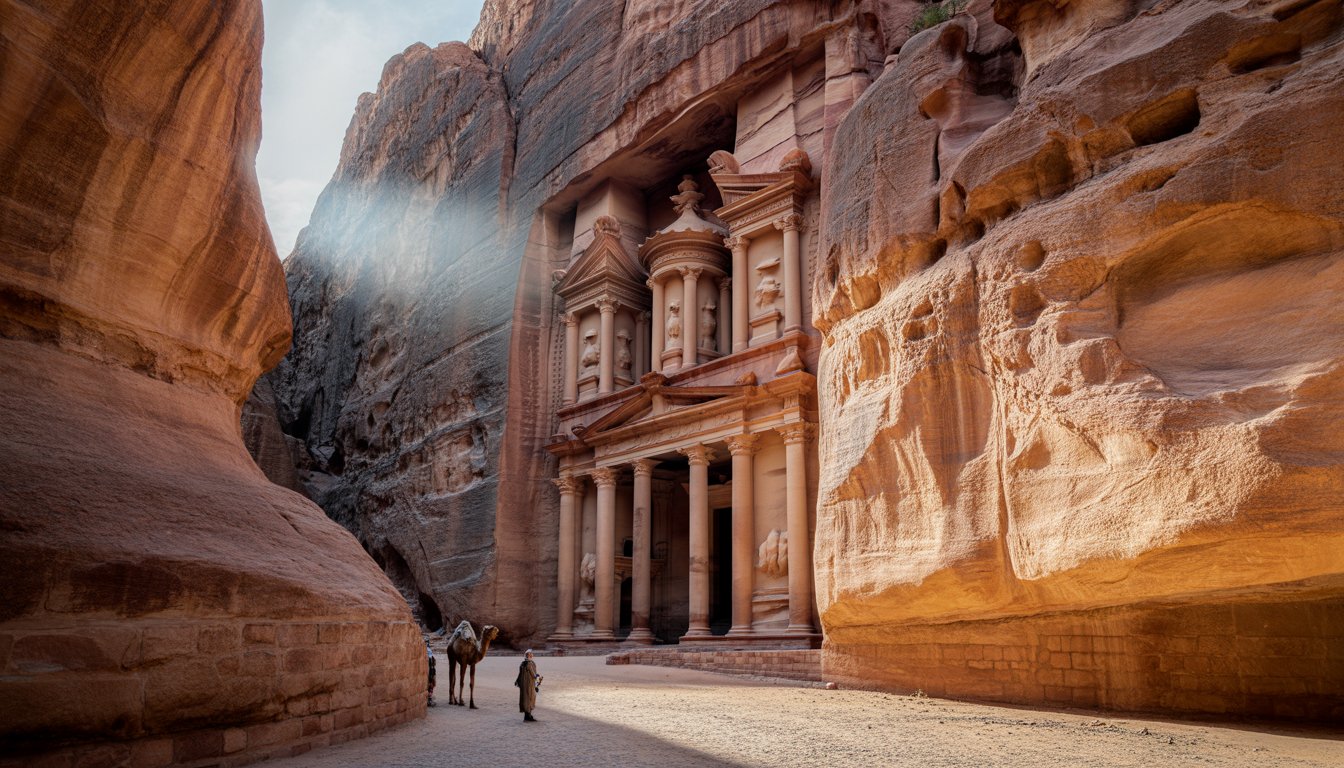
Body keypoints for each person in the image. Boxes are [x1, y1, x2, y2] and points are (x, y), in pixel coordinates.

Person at [514, 649, 540, 722]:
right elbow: (533, 675)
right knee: (530, 698)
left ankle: (527, 716)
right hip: (529, 684)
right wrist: (537, 681)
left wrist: (517, 681)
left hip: (523, 684)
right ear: (528, 655)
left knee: (525, 699)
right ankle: (528, 716)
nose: (532, 655)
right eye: (530, 654)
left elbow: (520, 674)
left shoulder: (522, 663)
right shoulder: (530, 663)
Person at [426, 640, 437, 707]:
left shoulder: (427, 651)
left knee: (430, 684)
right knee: (431, 684)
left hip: (431, 670)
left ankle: (429, 699)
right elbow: (433, 662)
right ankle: (429, 699)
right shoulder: (429, 651)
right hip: (431, 671)